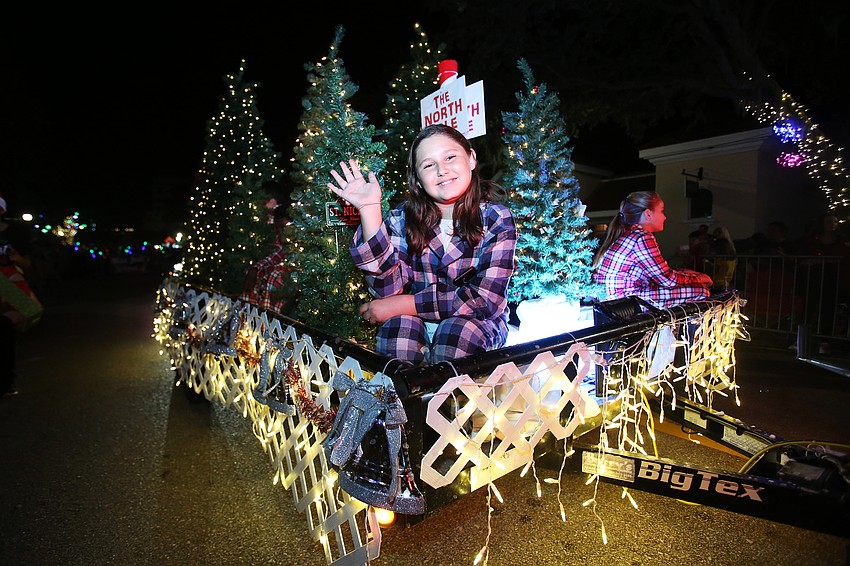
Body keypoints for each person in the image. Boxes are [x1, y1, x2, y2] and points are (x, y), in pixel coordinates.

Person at [327, 123, 517, 365]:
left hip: (475, 323)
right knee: (398, 331)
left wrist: (407, 303)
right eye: (429, 164)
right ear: (417, 177)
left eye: (450, 157)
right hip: (414, 321)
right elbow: (387, 292)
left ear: (471, 158)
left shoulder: (496, 218)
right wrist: (370, 211)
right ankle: (402, 403)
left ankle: (452, 402)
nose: (442, 170)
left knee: (456, 335)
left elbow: (486, 301)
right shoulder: (401, 219)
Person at [591, 191, 712, 309]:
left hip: (614, 300)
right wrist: (699, 278)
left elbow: (659, 275)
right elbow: (667, 280)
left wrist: (688, 274)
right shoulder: (641, 237)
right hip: (626, 304)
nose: (664, 217)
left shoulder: (628, 235)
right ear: (648, 214)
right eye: (661, 211)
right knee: (701, 290)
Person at [0, 196, 37, 398]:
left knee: (6, 335)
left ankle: (5, 383)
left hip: (9, 288)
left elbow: (27, 264)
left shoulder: (15, 235)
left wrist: (16, 258)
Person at [240, 204, 296, 315]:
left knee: (274, 278)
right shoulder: (280, 241)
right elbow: (274, 257)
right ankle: (248, 318)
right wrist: (255, 270)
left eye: (284, 228)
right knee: (256, 275)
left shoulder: (299, 242)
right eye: (277, 228)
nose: (280, 232)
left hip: (292, 280)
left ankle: (269, 321)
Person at [708, 226, 737, 291]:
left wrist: (708, 263)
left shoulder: (721, 260)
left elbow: (716, 269)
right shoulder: (732, 259)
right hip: (726, 283)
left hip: (718, 283)